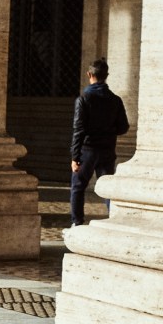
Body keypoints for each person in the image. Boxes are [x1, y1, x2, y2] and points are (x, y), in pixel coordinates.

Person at [70, 57, 129, 226]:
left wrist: (75, 157)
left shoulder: (83, 100)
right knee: (108, 187)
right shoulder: (115, 100)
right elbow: (123, 127)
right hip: (107, 149)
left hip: (87, 150)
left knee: (78, 186)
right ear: (106, 76)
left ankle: (78, 221)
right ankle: (114, 219)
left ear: (89, 74)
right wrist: (108, 132)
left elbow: (78, 131)